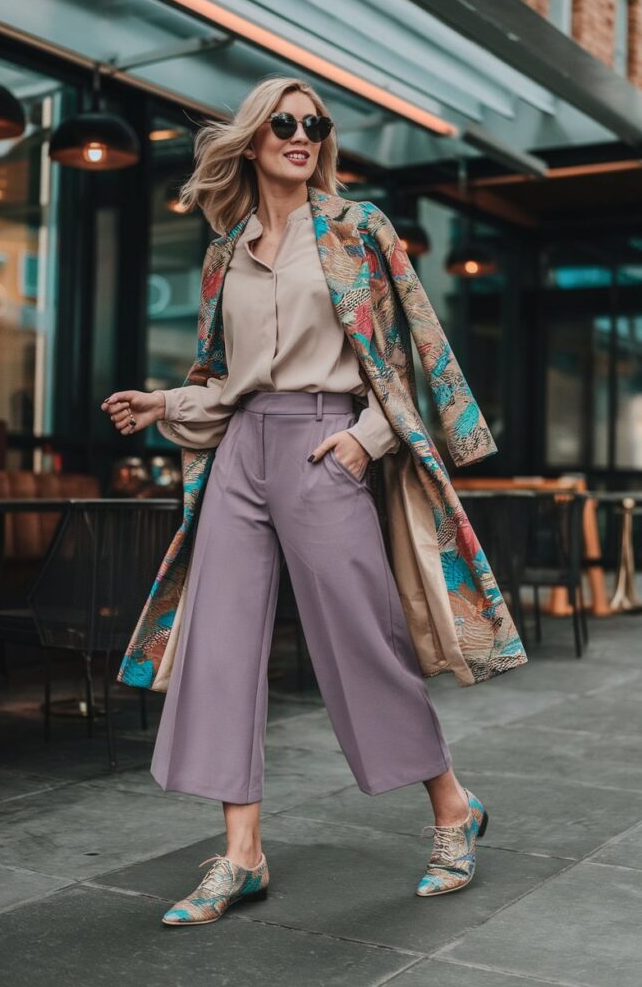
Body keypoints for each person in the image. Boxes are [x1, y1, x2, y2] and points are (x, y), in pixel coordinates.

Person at [101, 76, 489, 925]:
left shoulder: (359, 232)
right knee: (221, 647)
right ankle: (241, 854)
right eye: (284, 122)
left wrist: (366, 441)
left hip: (327, 446)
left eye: (315, 123)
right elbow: (227, 383)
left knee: (360, 638)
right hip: (243, 450)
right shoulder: (225, 251)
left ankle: (453, 809)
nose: (301, 133)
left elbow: (409, 357)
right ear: (252, 137)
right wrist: (164, 403)